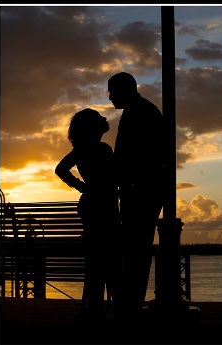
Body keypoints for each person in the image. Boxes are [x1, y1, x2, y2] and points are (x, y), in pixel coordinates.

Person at [108, 71, 167, 319]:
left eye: (113, 92)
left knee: (136, 249)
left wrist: (123, 181)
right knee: (136, 249)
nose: (110, 98)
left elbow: (135, 156)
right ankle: (130, 304)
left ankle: (130, 307)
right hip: (141, 190)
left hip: (141, 191)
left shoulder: (140, 112)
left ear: (126, 90)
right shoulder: (139, 110)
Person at [55, 108, 122, 326]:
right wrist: (85, 187)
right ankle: (117, 312)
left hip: (91, 205)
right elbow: (113, 179)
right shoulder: (102, 149)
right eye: (99, 119)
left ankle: (94, 311)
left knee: (96, 261)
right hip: (103, 207)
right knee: (110, 262)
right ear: (93, 127)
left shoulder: (81, 149)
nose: (105, 120)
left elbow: (60, 169)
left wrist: (83, 187)